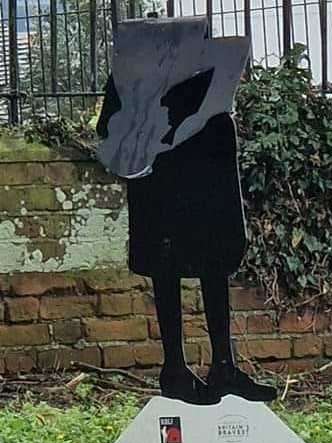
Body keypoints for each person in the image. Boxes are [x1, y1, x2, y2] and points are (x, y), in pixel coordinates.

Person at [97, 15, 275, 404]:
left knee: (213, 268)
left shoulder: (204, 70)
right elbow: (111, 132)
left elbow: (215, 119)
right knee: (167, 270)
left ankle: (224, 366)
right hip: (164, 193)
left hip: (206, 192)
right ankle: (174, 368)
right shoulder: (133, 76)